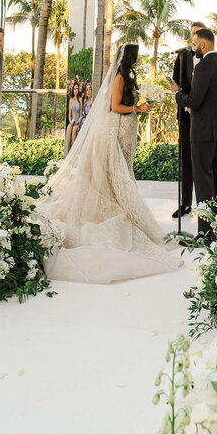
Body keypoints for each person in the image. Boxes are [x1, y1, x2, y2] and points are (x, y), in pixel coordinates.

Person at [37, 44, 180, 283]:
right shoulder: (119, 77)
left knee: (123, 172)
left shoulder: (129, 76)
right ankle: (123, 209)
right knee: (118, 174)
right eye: (136, 56)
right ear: (131, 58)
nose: (138, 59)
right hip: (116, 130)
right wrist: (137, 107)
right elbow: (115, 107)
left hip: (126, 129)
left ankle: (123, 204)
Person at [169, 28, 217, 241]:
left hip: (201, 133)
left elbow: (194, 101)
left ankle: (206, 234)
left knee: (203, 182)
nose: (194, 49)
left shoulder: (204, 66)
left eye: (195, 45)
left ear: (203, 45)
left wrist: (178, 94)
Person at [170, 22, 208, 219]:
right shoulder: (182, 56)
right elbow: (176, 82)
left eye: (197, 34)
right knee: (185, 160)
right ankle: (185, 203)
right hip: (185, 116)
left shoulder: (210, 59)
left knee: (202, 161)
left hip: (204, 116)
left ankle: (206, 205)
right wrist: (183, 100)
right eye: (192, 33)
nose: (193, 37)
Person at [65, 81, 81, 152]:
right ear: (73, 90)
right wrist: (71, 121)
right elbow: (69, 114)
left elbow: (81, 115)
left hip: (78, 122)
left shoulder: (80, 99)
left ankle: (73, 152)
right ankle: (68, 151)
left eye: (77, 88)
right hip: (72, 121)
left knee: (74, 129)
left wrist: (77, 122)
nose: (76, 90)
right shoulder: (71, 100)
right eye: (74, 89)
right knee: (69, 128)